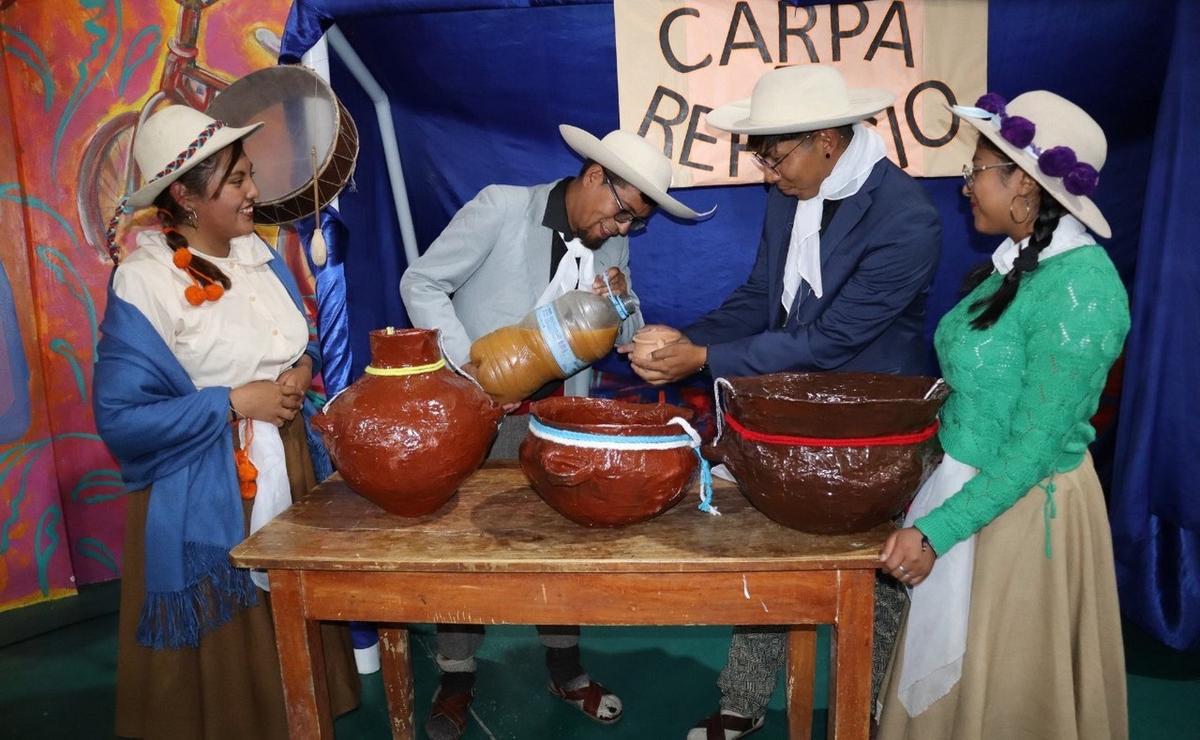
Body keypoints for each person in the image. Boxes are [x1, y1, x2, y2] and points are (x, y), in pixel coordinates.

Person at [621, 65, 943, 740]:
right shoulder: (795, 191)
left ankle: (865, 714)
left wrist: (702, 361)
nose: (769, 173)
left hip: (870, 433)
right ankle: (741, 702)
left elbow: (826, 341)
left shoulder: (907, 219)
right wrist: (688, 339)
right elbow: (759, 301)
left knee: (875, 581)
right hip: (792, 412)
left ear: (826, 140)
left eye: (775, 156)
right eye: (761, 157)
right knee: (772, 556)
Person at [400, 124, 711, 739]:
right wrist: (473, 369)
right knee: (467, 551)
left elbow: (621, 337)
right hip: (480, 416)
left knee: (562, 547)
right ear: (594, 177)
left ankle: (565, 671)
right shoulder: (502, 206)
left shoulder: (610, 242)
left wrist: (625, 305)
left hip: (558, 421)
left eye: (633, 225)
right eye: (622, 214)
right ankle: (457, 677)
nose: (621, 231)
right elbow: (421, 283)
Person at [93, 105, 360, 739]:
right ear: (184, 196)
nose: (254, 192)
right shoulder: (145, 282)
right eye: (237, 180)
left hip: (286, 463)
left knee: (289, 616)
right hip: (210, 488)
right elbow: (122, 418)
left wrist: (298, 371)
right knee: (232, 645)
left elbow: (293, 341)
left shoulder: (257, 255)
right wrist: (234, 405)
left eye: (248, 176)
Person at [876, 91, 1129, 740]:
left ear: (1027, 185)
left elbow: (1032, 449)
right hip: (971, 493)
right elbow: (974, 394)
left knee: (1005, 696)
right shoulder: (1015, 266)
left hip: (1024, 520)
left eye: (977, 170)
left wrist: (937, 531)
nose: (966, 186)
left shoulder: (1083, 291)